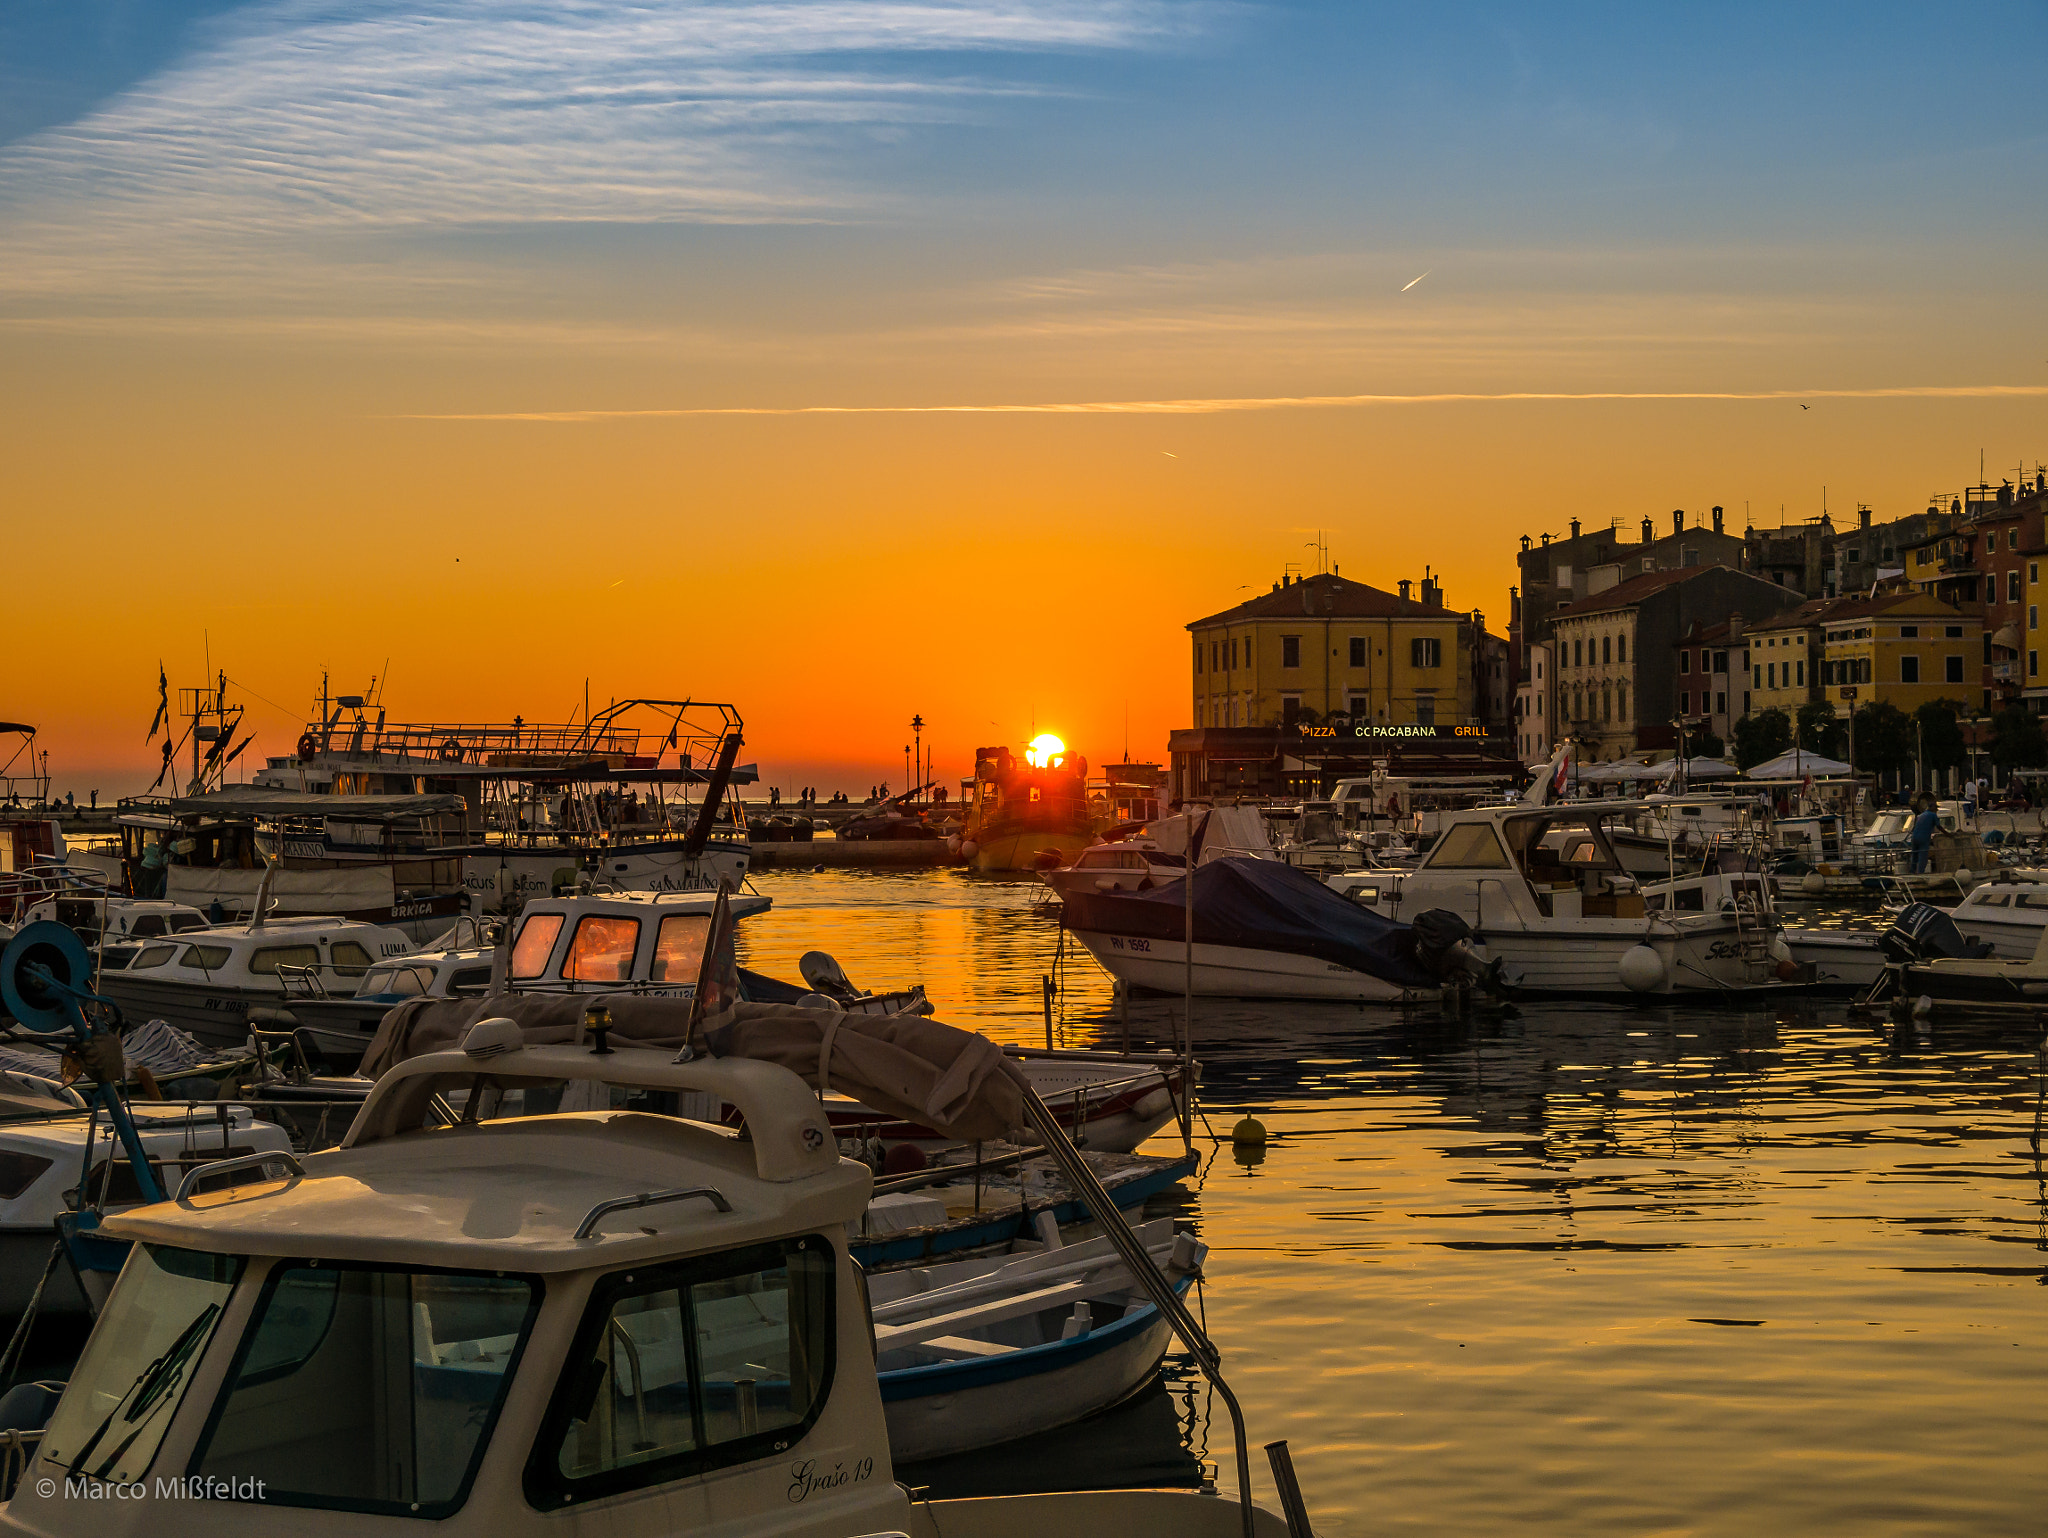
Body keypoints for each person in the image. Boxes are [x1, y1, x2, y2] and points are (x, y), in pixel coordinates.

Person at [1909, 793, 1939, 874]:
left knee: (1914, 856)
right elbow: (1939, 827)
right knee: (1923, 858)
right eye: (1936, 808)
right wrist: (1948, 834)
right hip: (1923, 838)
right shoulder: (1933, 815)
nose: (1936, 810)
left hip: (1915, 837)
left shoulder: (1922, 815)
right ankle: (1920, 874)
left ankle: (1912, 872)